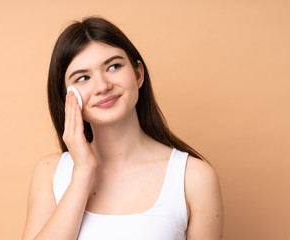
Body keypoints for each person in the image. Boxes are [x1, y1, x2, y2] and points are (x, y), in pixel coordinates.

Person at [22, 16, 223, 240]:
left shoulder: (194, 177)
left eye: (114, 66)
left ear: (138, 74)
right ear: (67, 97)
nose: (102, 86)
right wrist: (83, 171)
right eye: (82, 78)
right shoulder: (50, 172)